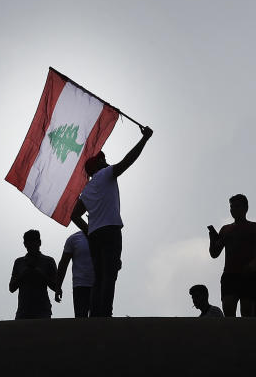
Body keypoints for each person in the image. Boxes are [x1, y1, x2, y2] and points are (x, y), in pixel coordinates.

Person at [71, 125, 154, 317]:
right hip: (110, 232)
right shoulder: (106, 174)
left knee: (98, 278)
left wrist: (88, 231)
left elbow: (74, 215)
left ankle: (96, 315)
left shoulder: (87, 189)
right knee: (109, 275)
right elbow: (127, 161)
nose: (107, 161)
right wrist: (144, 139)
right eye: (104, 159)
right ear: (100, 163)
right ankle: (105, 315)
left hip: (95, 235)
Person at [208, 194, 256, 317]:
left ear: (245, 208)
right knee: (229, 313)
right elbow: (214, 253)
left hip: (248, 275)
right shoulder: (226, 229)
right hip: (229, 275)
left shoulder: (253, 227)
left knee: (247, 313)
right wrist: (212, 239)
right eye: (231, 207)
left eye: (237, 206)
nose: (233, 210)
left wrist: (252, 266)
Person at [9, 229, 59, 319]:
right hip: (23, 311)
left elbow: (56, 287)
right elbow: (11, 288)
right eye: (28, 242)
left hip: (42, 311)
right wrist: (24, 273)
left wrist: (40, 274)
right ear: (24, 244)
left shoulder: (48, 261)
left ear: (39, 242)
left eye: (33, 242)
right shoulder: (19, 262)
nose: (30, 245)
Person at [55, 230, 94, 318]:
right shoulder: (74, 239)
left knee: (100, 319)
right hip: (80, 285)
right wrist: (58, 286)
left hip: (99, 284)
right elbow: (63, 264)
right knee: (81, 319)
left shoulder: (102, 236)